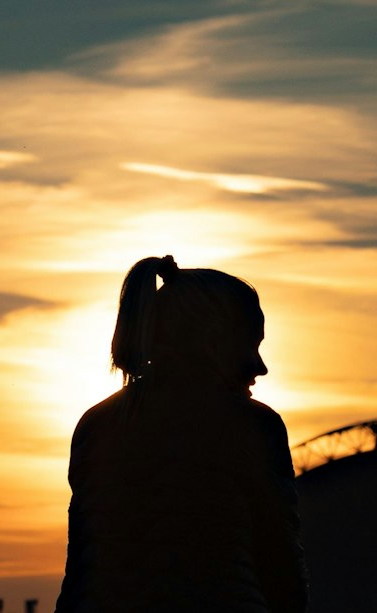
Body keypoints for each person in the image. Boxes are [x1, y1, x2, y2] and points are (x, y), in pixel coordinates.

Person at [54, 256, 306, 612]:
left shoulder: (97, 424)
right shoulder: (252, 426)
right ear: (213, 341)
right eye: (250, 344)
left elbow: (80, 572)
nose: (259, 367)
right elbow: (280, 569)